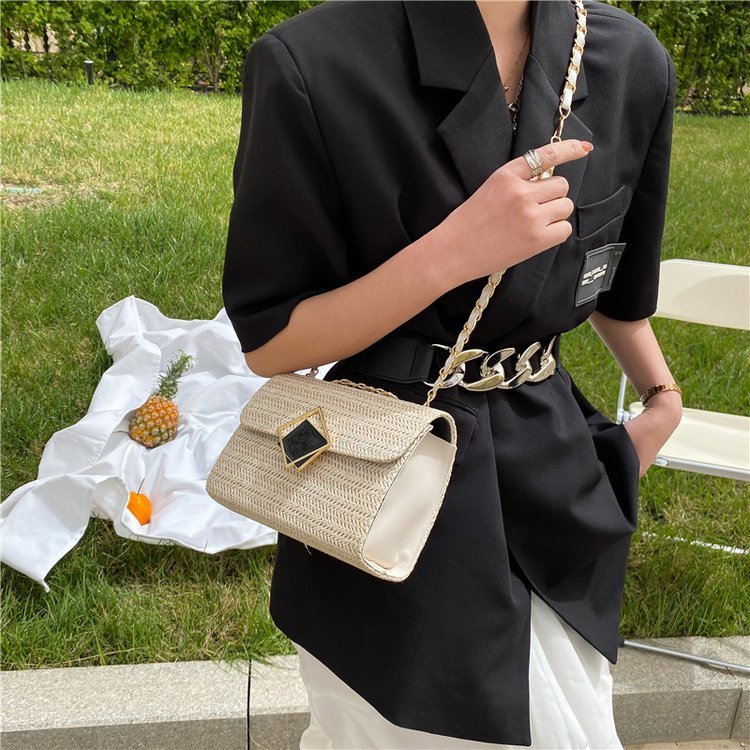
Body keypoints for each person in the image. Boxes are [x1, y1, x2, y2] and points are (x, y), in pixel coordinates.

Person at [222, 0, 684, 747]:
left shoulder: (629, 60)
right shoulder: (313, 61)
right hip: (384, 474)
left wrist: (663, 400)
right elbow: (272, 340)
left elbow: (614, 286)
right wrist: (453, 251)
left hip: (555, 470)